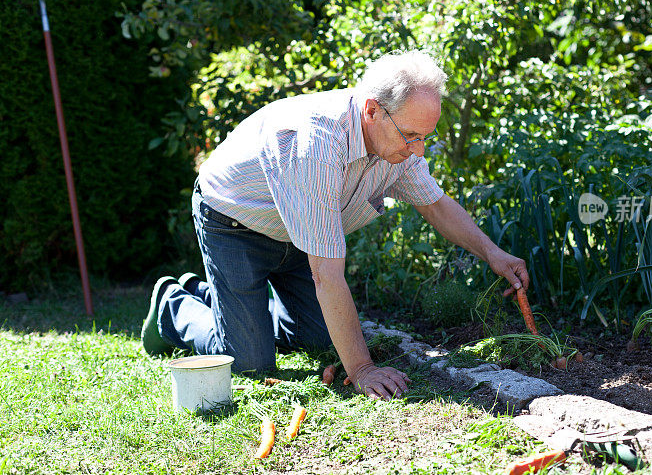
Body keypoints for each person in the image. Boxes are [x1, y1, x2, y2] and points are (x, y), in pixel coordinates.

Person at [141, 50, 529, 401]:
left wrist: (493, 254)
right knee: (250, 363)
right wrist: (362, 369)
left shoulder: (396, 142)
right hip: (234, 222)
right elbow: (327, 275)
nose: (419, 150)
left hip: (297, 234)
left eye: (425, 137)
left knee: (323, 340)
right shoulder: (317, 144)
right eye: (411, 136)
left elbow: (437, 206)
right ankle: (174, 304)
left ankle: (240, 304)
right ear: (373, 111)